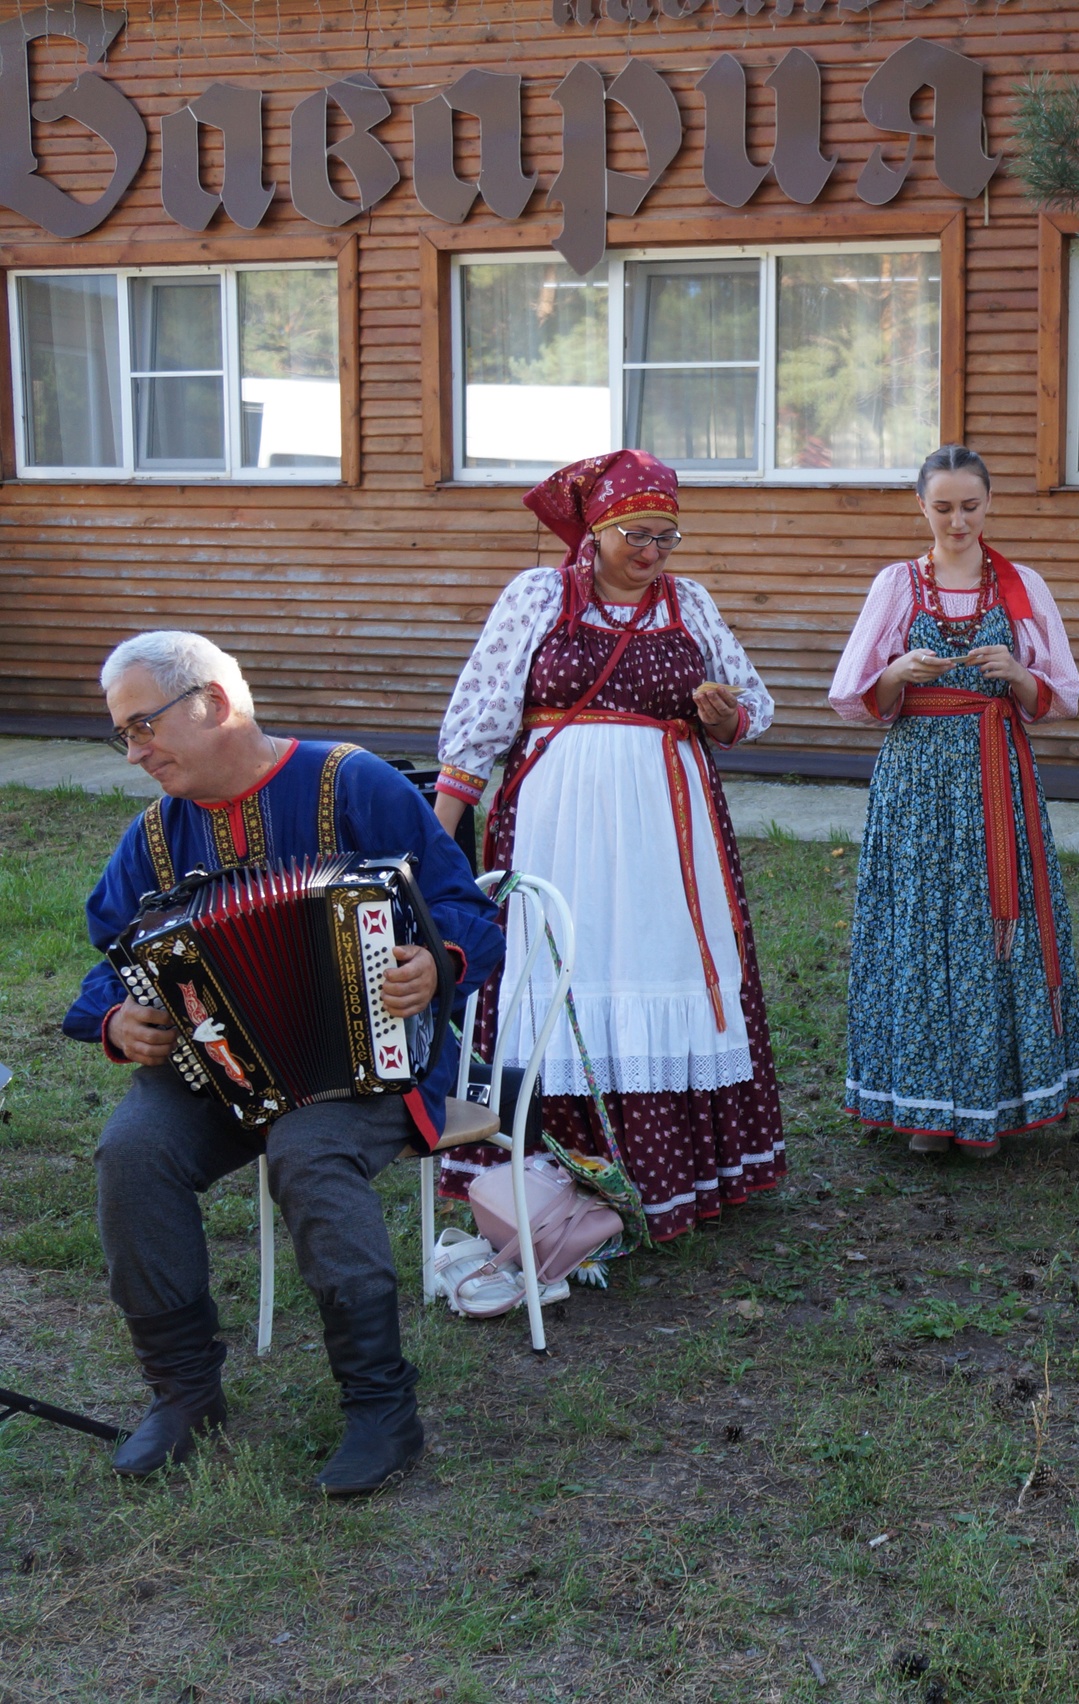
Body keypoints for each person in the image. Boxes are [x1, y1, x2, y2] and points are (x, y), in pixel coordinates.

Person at [64, 632, 502, 1493]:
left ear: (215, 704)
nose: (135, 751)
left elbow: (466, 908)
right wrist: (116, 1020)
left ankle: (382, 1407)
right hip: (221, 1073)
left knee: (308, 1151)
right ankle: (185, 1394)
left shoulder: (354, 784)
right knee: (134, 1153)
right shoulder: (154, 837)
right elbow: (104, 961)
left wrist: (437, 962)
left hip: (371, 1061)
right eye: (122, 734)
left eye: (144, 726)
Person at [433, 450, 786, 1240]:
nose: (653, 551)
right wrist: (440, 842)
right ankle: (547, 1169)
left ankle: (673, 1172)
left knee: (656, 965)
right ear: (596, 530)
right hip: (559, 831)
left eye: (667, 535)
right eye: (637, 533)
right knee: (560, 966)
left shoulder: (689, 604)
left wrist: (722, 716)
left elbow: (751, 708)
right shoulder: (537, 598)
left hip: (668, 835)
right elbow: (478, 720)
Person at [827, 444, 1079, 1155]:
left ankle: (991, 1104)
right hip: (916, 781)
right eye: (942, 507)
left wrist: (1014, 673)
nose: (957, 521)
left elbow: (1059, 696)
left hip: (995, 775)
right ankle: (925, 1104)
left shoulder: (1021, 586)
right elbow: (852, 697)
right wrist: (897, 672)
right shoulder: (895, 585)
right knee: (921, 926)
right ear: (922, 507)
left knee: (990, 930)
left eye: (970, 506)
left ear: (989, 504)